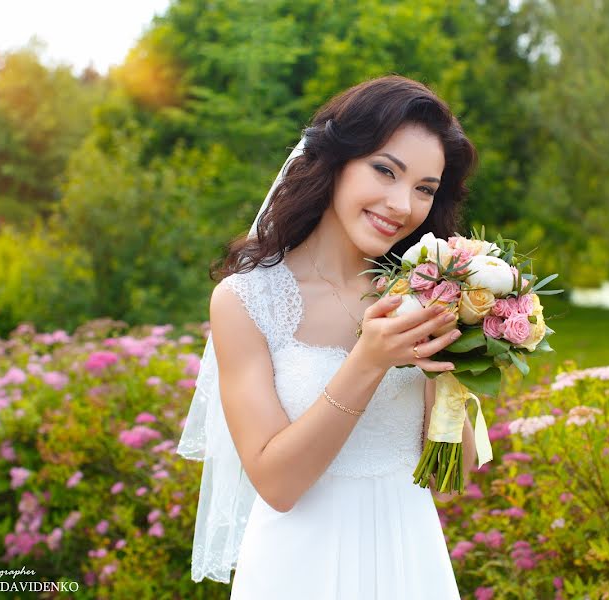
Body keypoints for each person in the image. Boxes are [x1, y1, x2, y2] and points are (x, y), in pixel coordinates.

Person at [177, 74, 478, 599]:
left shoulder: (427, 290)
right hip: (298, 568)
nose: (401, 205)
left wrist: (444, 364)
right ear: (336, 161)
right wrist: (370, 361)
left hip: (411, 560)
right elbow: (277, 485)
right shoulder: (246, 302)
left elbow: (455, 473)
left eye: (424, 189)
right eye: (385, 171)